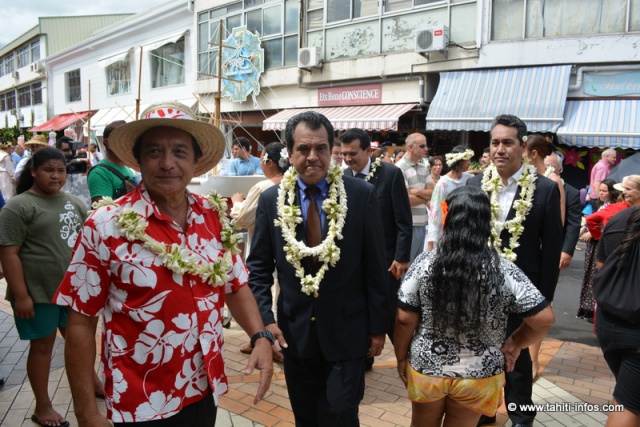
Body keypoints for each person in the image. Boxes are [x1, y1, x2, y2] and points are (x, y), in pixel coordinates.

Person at [53, 102, 273, 427]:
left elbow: (235, 285)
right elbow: (81, 323)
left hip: (203, 386)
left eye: (180, 152)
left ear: (196, 161)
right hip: (140, 398)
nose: (168, 163)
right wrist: (85, 412)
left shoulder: (212, 216)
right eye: (154, 151)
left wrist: (260, 336)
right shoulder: (105, 225)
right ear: (139, 160)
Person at [247, 111, 388, 426]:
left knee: (339, 413)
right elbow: (258, 268)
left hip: (348, 332)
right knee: (306, 416)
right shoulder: (271, 200)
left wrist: (378, 326)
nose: (313, 157)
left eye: (321, 148)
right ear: (289, 151)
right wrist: (266, 321)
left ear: (331, 149)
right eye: (303, 148)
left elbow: (375, 265)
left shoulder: (360, 195)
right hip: (295, 335)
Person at [395, 186, 555, 427]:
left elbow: (404, 318)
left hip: (428, 366)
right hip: (480, 374)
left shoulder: (425, 263)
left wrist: (400, 357)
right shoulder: (503, 269)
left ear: (448, 218)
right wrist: (516, 342)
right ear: (486, 222)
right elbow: (543, 319)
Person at [468, 114, 563, 427]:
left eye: (507, 142)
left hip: (522, 290)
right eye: (495, 142)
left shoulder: (545, 189)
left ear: (523, 147)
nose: (500, 149)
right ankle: (484, 410)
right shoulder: (474, 184)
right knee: (480, 352)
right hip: (478, 289)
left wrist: (543, 298)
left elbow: (551, 250)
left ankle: (520, 414)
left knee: (517, 357)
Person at [0, 147, 90, 427]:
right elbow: (9, 253)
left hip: (72, 292)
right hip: (38, 294)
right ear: (34, 171)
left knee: (79, 343)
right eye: (48, 170)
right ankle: (43, 406)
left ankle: (93, 383)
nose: (56, 176)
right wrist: (22, 296)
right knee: (42, 347)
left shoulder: (73, 202)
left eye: (61, 170)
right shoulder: (18, 206)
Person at [340, 127, 412, 347]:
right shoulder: (342, 178)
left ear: (368, 151)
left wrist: (401, 257)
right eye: (344, 154)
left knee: (388, 312)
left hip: (386, 259)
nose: (348, 159)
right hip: (355, 261)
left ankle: (403, 357)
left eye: (353, 153)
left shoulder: (390, 174)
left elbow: (403, 220)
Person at [594, 204, 640, 427]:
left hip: (609, 323)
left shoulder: (620, 218)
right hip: (635, 332)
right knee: (628, 404)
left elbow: (601, 265)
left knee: (630, 396)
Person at [577, 178, 625, 322]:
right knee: (591, 275)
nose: (602, 193)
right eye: (601, 190)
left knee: (599, 275)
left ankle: (595, 309)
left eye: (605, 191)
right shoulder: (602, 206)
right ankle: (589, 309)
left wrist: (595, 234)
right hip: (595, 245)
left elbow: (603, 225)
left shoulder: (614, 207)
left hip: (602, 245)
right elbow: (590, 221)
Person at [231, 142, 289, 252]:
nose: (261, 165)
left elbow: (243, 219)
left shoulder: (262, 188)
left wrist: (237, 203)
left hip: (264, 249)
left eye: (261, 160)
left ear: (269, 163)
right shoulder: (294, 183)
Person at [426, 146, 474, 250]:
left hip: (468, 229)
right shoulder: (443, 184)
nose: (469, 163)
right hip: (448, 229)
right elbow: (436, 212)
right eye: (467, 160)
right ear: (459, 160)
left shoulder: (470, 179)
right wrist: (431, 241)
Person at [395, 133, 431, 263]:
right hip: (408, 224)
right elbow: (405, 200)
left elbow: (433, 193)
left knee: (417, 265)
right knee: (407, 265)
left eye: (426, 146)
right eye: (422, 146)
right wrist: (425, 198)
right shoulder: (399, 168)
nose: (426, 149)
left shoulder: (423, 168)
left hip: (422, 223)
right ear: (411, 147)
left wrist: (416, 191)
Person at [544, 152, 581, 270]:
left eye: (551, 167)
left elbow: (573, 224)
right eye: (544, 166)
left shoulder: (571, 193)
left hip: (554, 246)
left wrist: (567, 251)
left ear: (560, 170)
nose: (547, 170)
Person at [87, 120, 136, 205]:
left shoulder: (127, 169)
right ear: (108, 143)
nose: (128, 143)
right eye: (123, 139)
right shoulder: (99, 173)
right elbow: (102, 211)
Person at [523, 134, 566, 225]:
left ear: (534, 154)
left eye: (522, 151)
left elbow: (558, 220)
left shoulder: (553, 180)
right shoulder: (524, 177)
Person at [56, 136, 92, 209]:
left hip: (83, 210)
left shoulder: (82, 165)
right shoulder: (54, 169)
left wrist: (90, 173)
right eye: (66, 150)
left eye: (72, 150)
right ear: (58, 151)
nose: (70, 153)